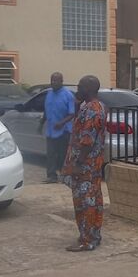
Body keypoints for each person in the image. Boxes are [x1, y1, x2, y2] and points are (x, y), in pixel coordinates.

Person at [61, 75, 106, 252]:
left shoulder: (91, 110)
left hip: (85, 166)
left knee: (85, 202)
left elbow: (87, 141)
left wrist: (78, 163)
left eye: (80, 86)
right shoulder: (94, 106)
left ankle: (86, 240)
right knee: (94, 200)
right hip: (93, 164)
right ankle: (94, 235)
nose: (77, 89)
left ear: (89, 88)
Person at [41, 72, 75, 184]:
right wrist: (41, 123)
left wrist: (61, 123)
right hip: (50, 131)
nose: (53, 83)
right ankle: (51, 176)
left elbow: (71, 114)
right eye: (52, 80)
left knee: (62, 155)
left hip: (63, 131)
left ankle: (64, 175)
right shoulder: (49, 94)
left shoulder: (68, 95)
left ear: (61, 81)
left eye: (56, 80)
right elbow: (47, 110)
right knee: (50, 154)